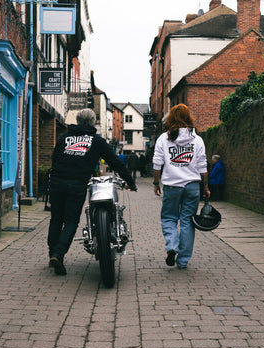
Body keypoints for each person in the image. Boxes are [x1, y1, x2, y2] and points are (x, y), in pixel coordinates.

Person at [47, 108, 137, 276]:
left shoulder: (64, 137)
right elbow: (115, 162)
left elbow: (54, 158)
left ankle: (53, 254)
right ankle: (58, 254)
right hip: (77, 184)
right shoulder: (96, 141)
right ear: (93, 122)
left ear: (78, 120)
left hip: (57, 182)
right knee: (71, 221)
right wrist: (130, 182)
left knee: (56, 219)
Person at [152, 103, 210, 269]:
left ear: (170, 118)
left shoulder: (164, 138)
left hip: (172, 186)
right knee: (187, 222)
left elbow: (157, 163)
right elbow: (202, 166)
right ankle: (183, 261)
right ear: (188, 117)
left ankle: (171, 246)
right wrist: (205, 187)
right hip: (192, 186)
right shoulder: (197, 139)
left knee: (169, 218)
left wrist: (156, 183)